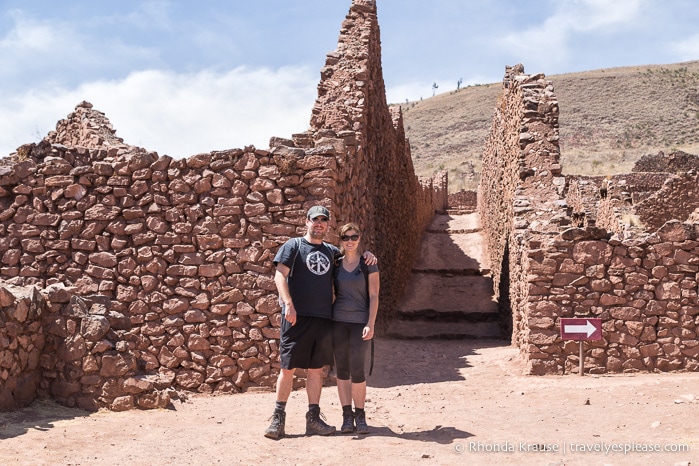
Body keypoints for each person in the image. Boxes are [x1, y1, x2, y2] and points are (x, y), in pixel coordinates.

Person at [264, 206, 376, 439]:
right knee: (288, 368)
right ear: (307, 222)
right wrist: (288, 303)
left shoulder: (331, 252)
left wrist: (368, 254)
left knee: (316, 370)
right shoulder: (293, 246)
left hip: (324, 319)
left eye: (324, 221)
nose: (319, 224)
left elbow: (351, 257)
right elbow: (279, 275)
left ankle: (313, 419)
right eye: (315, 220)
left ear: (328, 225)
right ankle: (278, 417)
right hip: (297, 317)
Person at [332, 222, 379, 435]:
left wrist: (371, 323)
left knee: (358, 370)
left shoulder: (368, 263)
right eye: (345, 237)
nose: (350, 241)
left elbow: (374, 295)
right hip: (338, 322)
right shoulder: (335, 264)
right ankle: (346, 416)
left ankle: (360, 416)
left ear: (359, 239)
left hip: (360, 323)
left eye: (354, 237)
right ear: (340, 240)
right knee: (342, 370)